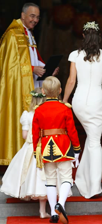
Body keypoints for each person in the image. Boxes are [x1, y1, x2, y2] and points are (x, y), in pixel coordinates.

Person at [63, 21, 102, 199]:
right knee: (95, 142)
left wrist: (64, 100)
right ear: (99, 37)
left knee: (91, 139)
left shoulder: (74, 55)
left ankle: (83, 177)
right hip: (96, 101)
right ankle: (94, 186)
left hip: (79, 102)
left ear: (83, 36)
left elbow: (71, 81)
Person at [0, 2, 59, 165]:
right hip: (20, 89)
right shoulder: (13, 35)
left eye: (38, 17)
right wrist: (33, 69)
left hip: (33, 85)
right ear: (23, 15)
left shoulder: (28, 33)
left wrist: (47, 70)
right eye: (32, 16)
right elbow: (10, 67)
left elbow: (32, 57)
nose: (35, 20)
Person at [32, 77, 81, 224]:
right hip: (63, 147)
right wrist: (77, 149)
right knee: (66, 179)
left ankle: (54, 212)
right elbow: (72, 131)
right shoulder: (65, 108)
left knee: (50, 181)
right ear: (60, 91)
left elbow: (35, 133)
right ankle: (61, 204)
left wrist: (36, 152)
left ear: (43, 91)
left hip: (46, 148)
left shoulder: (39, 110)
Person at [0, 87, 50, 219]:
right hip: (43, 148)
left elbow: (24, 135)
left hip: (29, 148)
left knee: (29, 174)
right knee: (42, 178)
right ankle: (42, 211)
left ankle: (27, 191)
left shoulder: (26, 115)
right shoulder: (46, 114)